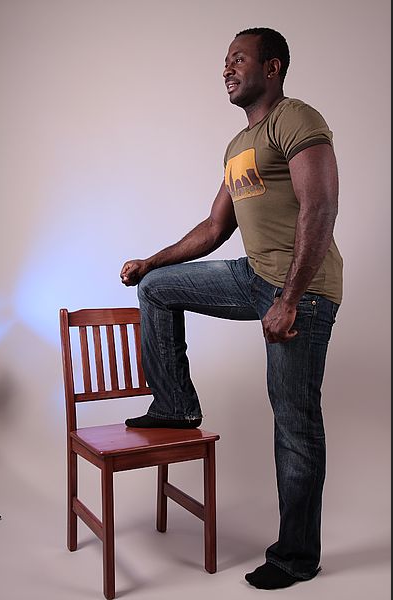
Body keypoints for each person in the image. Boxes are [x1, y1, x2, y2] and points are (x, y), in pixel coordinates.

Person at [120, 27, 343, 590]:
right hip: (253, 275)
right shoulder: (236, 147)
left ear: (272, 67)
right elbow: (216, 228)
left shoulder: (295, 118)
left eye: (238, 59)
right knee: (159, 288)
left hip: (304, 287)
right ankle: (175, 404)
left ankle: (297, 557)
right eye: (224, 61)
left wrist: (289, 300)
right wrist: (152, 261)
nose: (226, 68)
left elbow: (319, 208)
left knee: (294, 425)